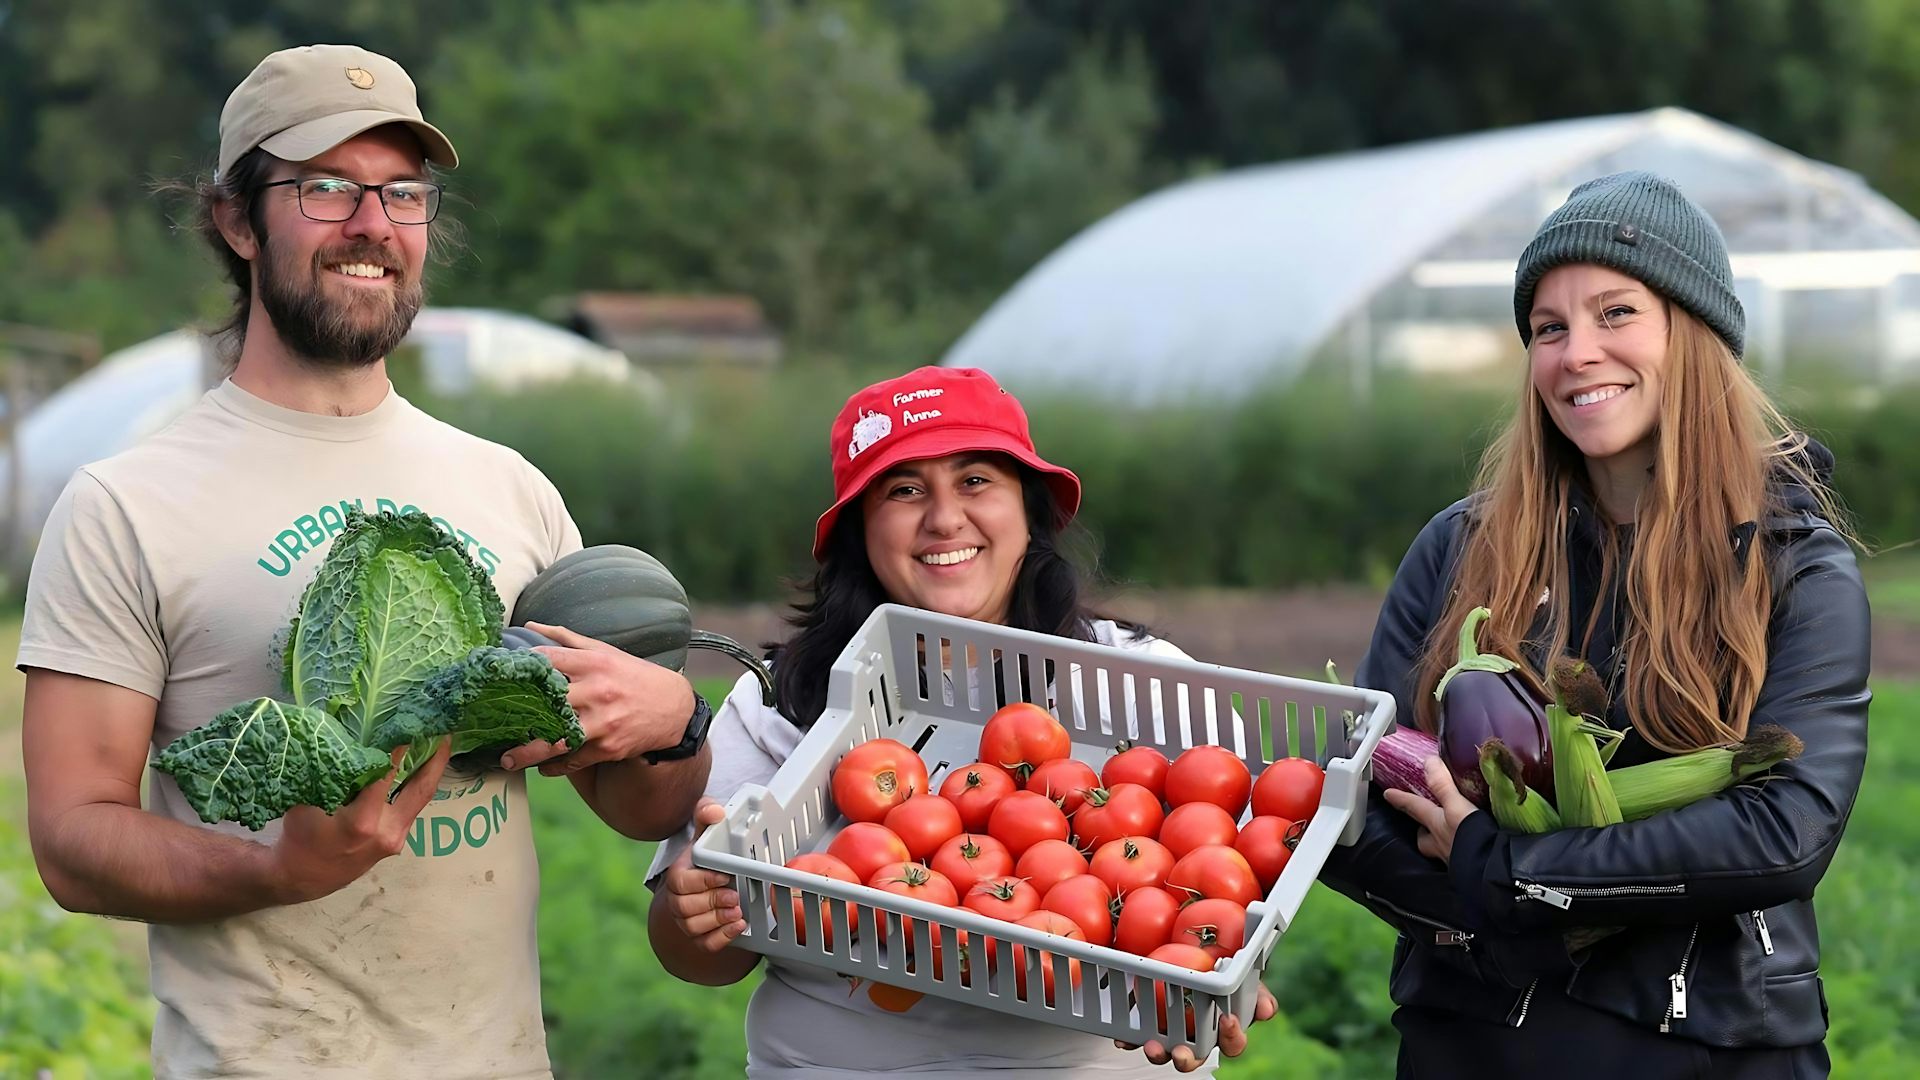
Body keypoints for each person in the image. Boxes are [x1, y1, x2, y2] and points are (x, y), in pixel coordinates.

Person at [18, 44, 709, 1078]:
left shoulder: (507, 486)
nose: (372, 225)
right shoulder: (127, 503)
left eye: (403, 193)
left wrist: (674, 721)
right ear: (238, 220)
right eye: (325, 187)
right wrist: (277, 869)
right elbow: (74, 840)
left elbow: (632, 805)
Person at [1321, 172, 1870, 1077]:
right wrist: (1524, 926)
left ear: (1692, 336)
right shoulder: (1459, 550)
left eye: (1616, 313)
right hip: (1476, 1038)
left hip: (1713, 1046)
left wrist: (1504, 869)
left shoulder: (1793, 563)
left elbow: (1784, 833)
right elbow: (1360, 798)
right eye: (1549, 327)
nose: (1577, 352)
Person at [647, 366, 1278, 1076]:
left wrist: (1217, 970)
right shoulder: (781, 698)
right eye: (905, 490)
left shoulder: (1144, 680)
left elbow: (1239, 874)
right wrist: (691, 915)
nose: (944, 518)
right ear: (860, 530)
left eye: (975, 480)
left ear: (1029, 510)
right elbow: (698, 959)